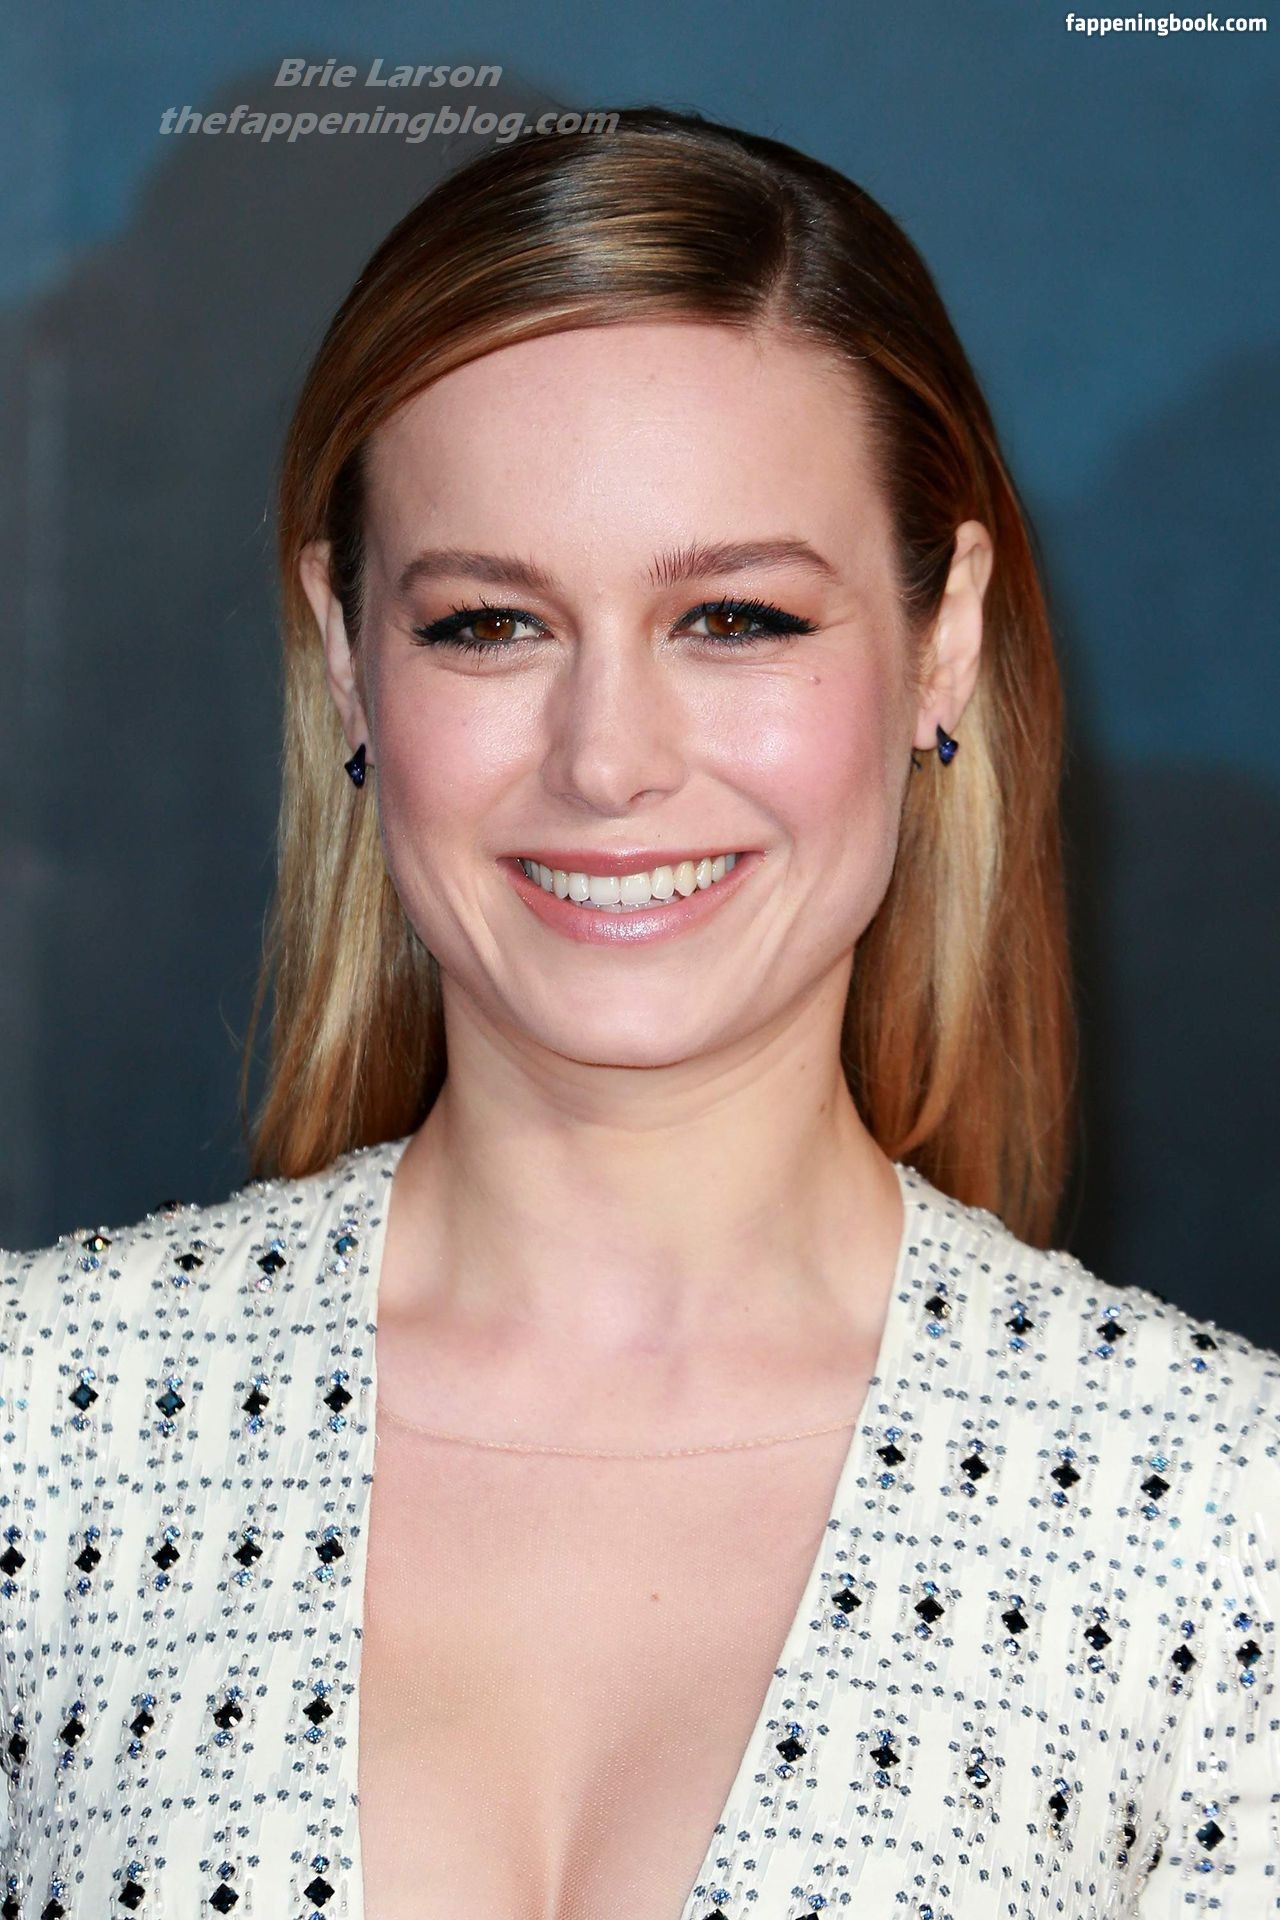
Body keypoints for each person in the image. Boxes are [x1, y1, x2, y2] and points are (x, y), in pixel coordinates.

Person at [1, 105, 1276, 1920]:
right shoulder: (44, 1432)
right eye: (488, 624)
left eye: (737, 618)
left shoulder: (1216, 1521)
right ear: (347, 657)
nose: (607, 761)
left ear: (943, 639)